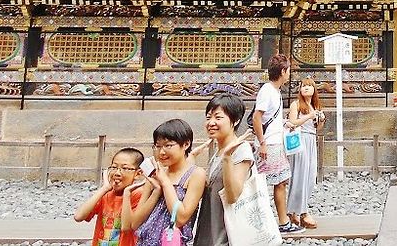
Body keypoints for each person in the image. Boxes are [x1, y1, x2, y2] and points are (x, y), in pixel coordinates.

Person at [124, 119, 206, 246]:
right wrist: (156, 191)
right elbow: (135, 223)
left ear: (186, 144)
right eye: (158, 146)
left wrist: (165, 183)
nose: (161, 152)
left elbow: (181, 218)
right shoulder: (154, 175)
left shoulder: (196, 175)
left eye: (168, 145)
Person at [193, 93, 255, 246]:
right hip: (209, 232)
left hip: (227, 237)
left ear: (235, 121)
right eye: (208, 118)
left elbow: (233, 195)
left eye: (218, 117)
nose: (211, 123)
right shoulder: (217, 152)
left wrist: (227, 157)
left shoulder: (241, 150)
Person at [253, 54, 302, 234]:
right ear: (283, 71)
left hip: (275, 141)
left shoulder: (274, 91)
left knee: (280, 181)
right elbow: (256, 117)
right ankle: (281, 223)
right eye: (288, 70)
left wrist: (284, 125)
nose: (289, 74)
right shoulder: (267, 91)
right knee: (276, 183)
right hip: (270, 144)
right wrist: (262, 143)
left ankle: (281, 221)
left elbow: (267, 118)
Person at [75, 147, 145, 246]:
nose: (117, 173)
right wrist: (104, 188)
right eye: (114, 167)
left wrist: (126, 194)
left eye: (124, 168)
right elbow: (79, 216)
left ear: (138, 174)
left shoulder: (139, 195)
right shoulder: (106, 194)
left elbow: (127, 227)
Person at [287, 78, 326, 230]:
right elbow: (292, 123)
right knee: (299, 176)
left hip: (311, 140)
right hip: (300, 139)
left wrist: (321, 119)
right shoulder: (296, 105)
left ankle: (297, 210)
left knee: (310, 176)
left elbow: (317, 128)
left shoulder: (314, 106)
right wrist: (309, 116)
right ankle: (300, 212)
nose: (306, 88)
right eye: (304, 86)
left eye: (310, 86)